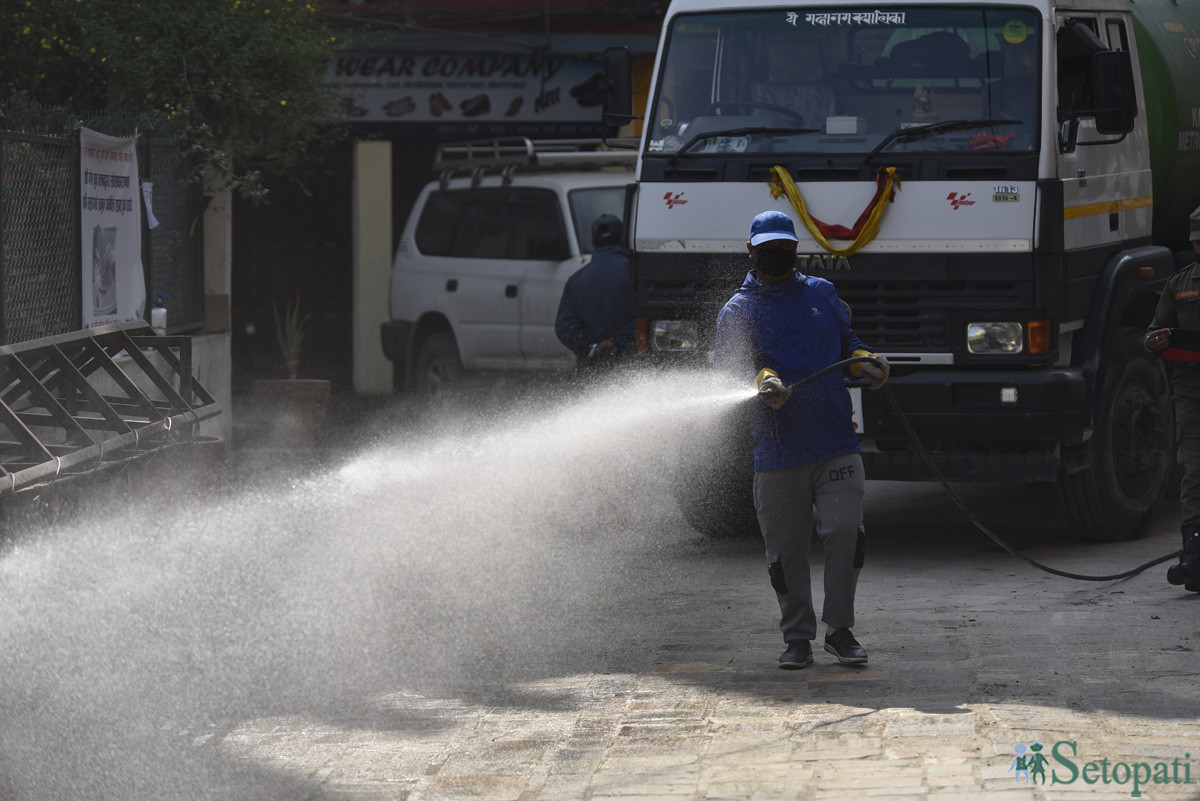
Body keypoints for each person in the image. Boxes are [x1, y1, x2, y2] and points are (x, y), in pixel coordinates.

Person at [713, 210, 890, 669]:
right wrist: (763, 379)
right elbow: (731, 371)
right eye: (769, 247)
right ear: (750, 251)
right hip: (778, 450)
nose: (779, 254)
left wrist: (865, 359)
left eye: (786, 247)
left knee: (845, 533)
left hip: (835, 440)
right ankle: (797, 637)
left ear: (796, 249)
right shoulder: (738, 311)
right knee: (786, 550)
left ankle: (840, 631)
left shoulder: (822, 294)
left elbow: (847, 342)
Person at [1144, 204, 1200, 592]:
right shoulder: (1180, 284)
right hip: (1191, 388)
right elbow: (1150, 335)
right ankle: (1194, 557)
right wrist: (1154, 341)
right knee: (1195, 467)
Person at [554, 214, 636, 371]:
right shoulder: (636, 275)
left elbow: (564, 326)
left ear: (593, 243)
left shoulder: (576, 280)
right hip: (631, 372)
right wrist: (617, 343)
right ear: (622, 240)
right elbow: (648, 318)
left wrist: (593, 347)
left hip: (592, 373)